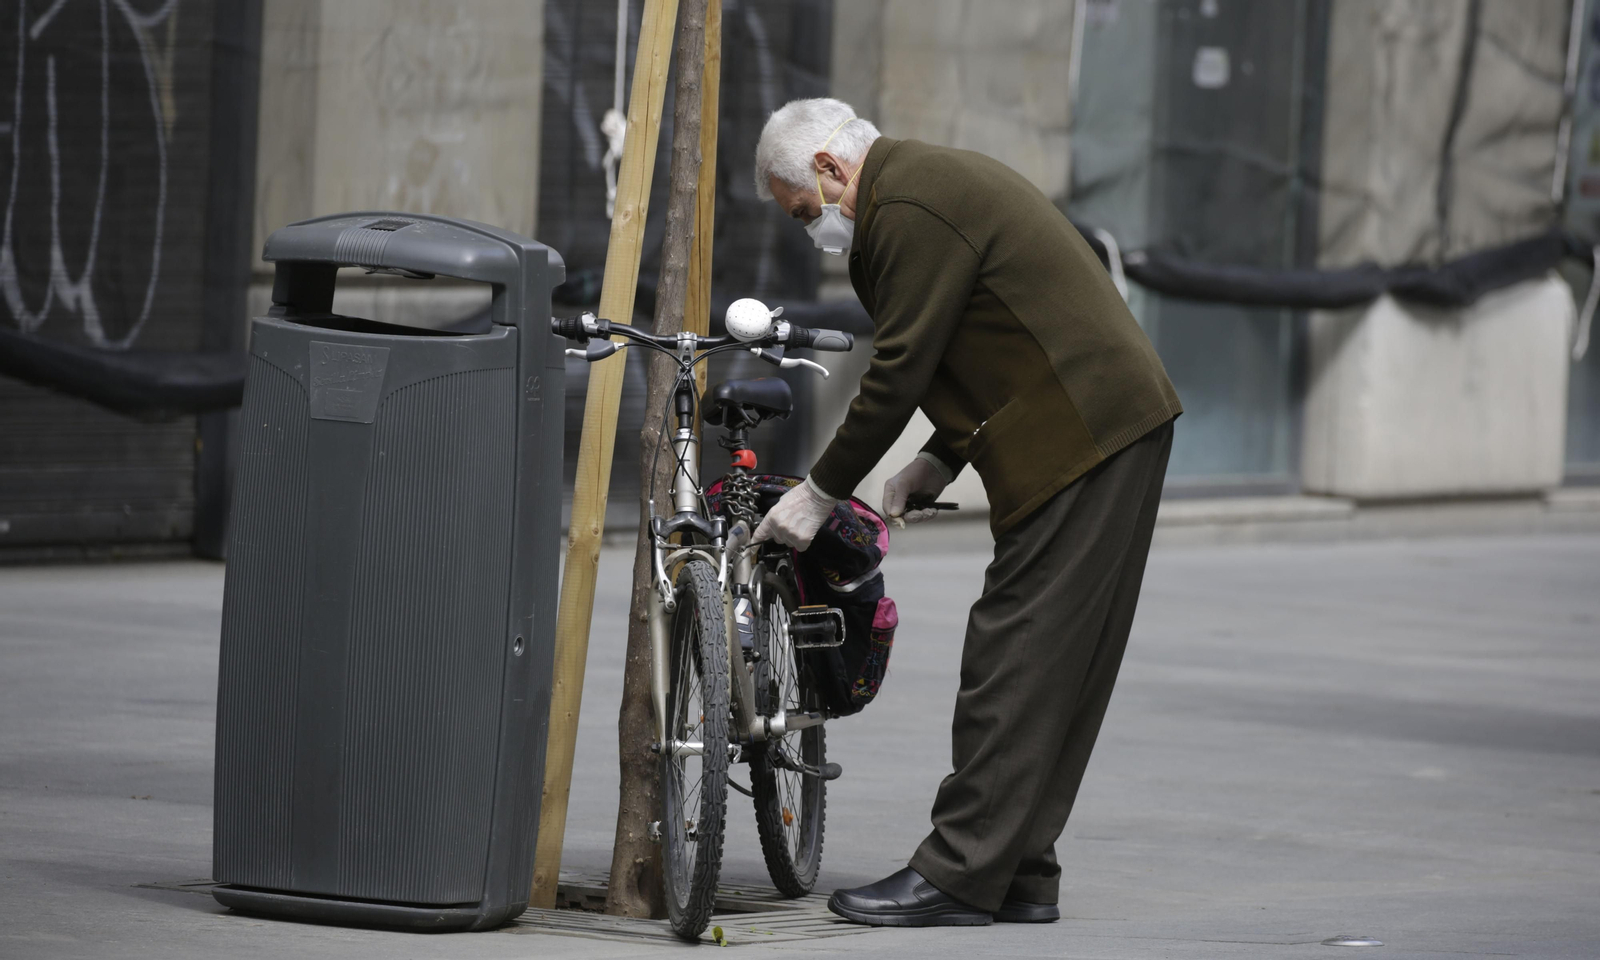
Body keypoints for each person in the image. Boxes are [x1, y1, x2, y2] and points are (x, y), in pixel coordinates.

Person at [748, 98, 1182, 927]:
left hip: (1084, 429)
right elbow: (979, 340)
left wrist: (820, 490)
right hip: (1104, 420)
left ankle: (957, 873)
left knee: (1011, 652)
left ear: (835, 170)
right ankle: (1019, 869)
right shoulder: (920, 187)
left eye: (806, 212)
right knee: (1059, 662)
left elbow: (904, 365)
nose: (813, 232)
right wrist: (937, 457)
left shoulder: (906, 206)